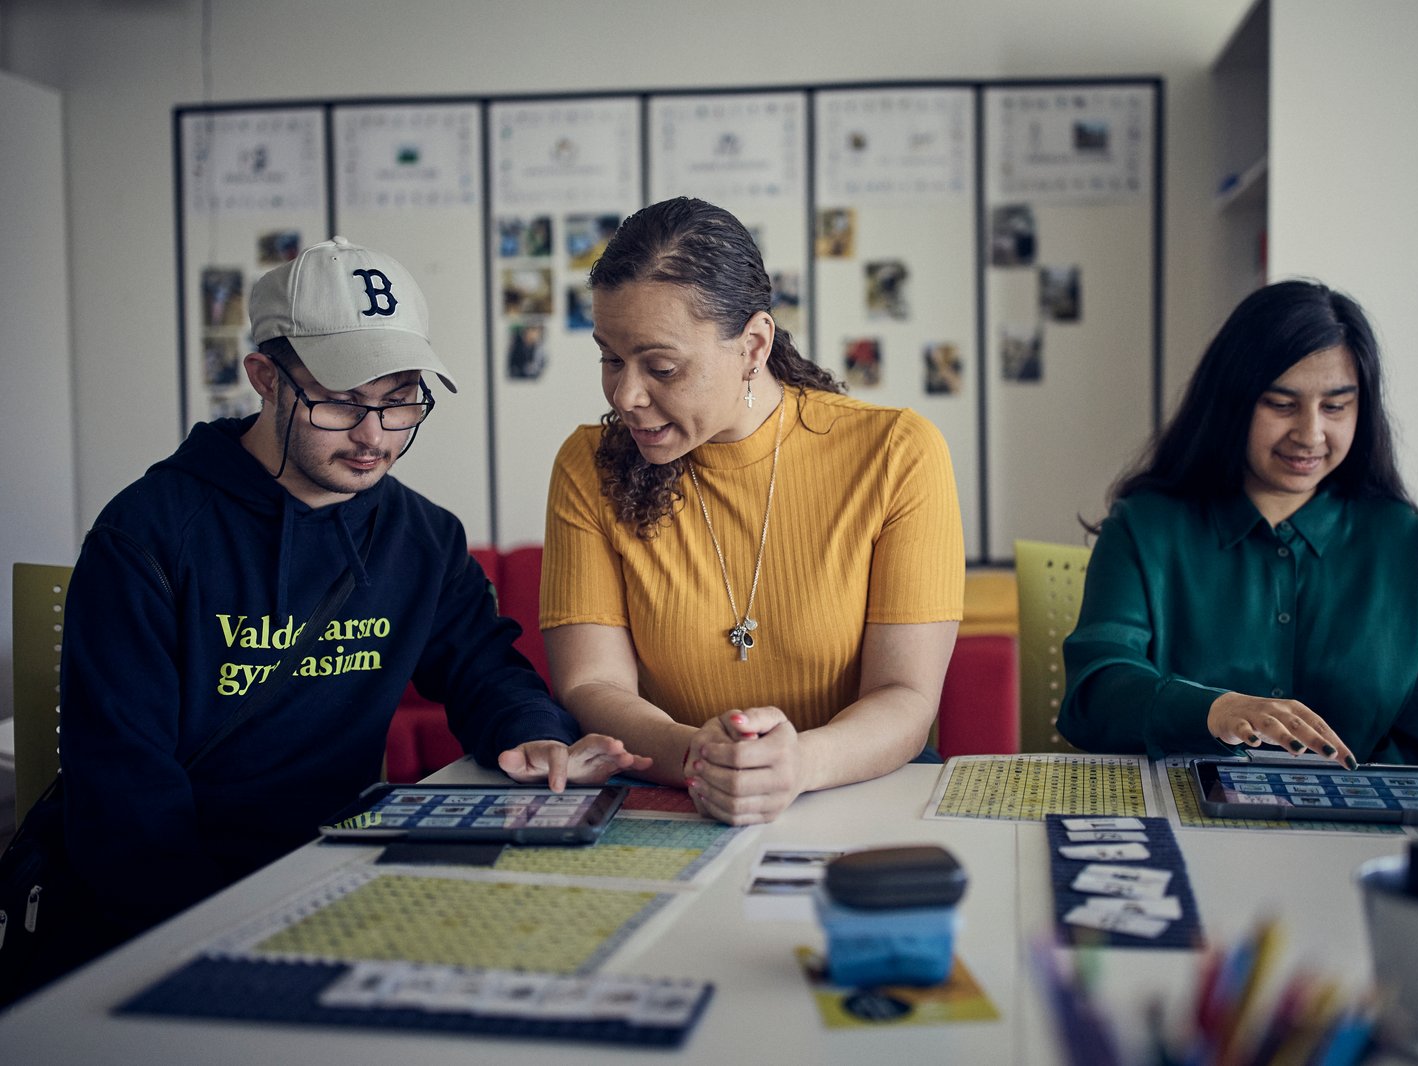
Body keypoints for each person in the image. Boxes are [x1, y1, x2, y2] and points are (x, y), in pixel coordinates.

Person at [58, 236, 647, 955]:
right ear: (264, 378)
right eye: (339, 403)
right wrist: (213, 941)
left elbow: (484, 667)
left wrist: (532, 732)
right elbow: (124, 797)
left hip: (342, 877)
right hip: (175, 907)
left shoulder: (421, 536)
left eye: (399, 402)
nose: (374, 437)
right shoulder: (147, 536)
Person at [540, 197, 965, 825]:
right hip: (674, 795)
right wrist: (700, 757)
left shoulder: (897, 453)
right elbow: (591, 685)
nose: (626, 395)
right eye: (610, 359)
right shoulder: (589, 464)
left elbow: (904, 696)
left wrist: (799, 764)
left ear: (753, 346)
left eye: (661, 367)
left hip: (855, 792)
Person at [1057, 279, 1418, 767]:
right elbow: (1094, 694)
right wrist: (1213, 710)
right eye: (1281, 404)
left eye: (1335, 406)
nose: (1310, 433)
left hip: (1356, 814)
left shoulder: (1402, 543)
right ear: (1232, 401)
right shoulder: (1145, 527)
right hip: (1179, 807)